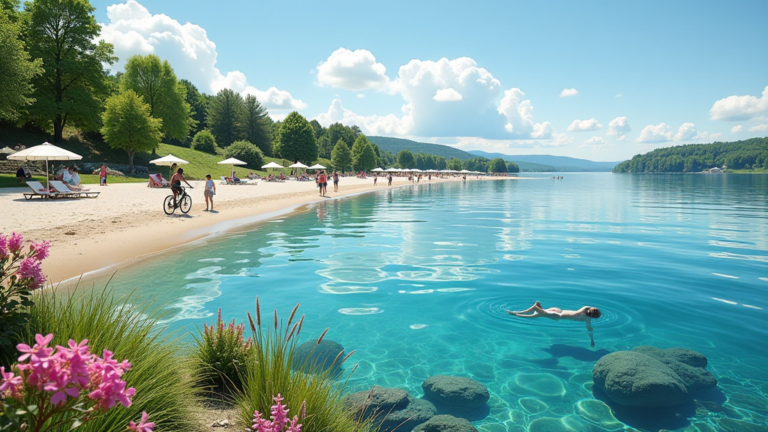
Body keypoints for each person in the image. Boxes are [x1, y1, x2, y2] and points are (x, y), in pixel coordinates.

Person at [507, 302, 601, 347]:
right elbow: (590, 330)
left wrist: (593, 309)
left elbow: (590, 307)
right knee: (534, 314)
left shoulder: (583, 309)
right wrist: (592, 340)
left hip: (558, 310)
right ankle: (516, 314)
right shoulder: (586, 319)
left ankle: (517, 313)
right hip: (557, 316)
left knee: (537, 313)